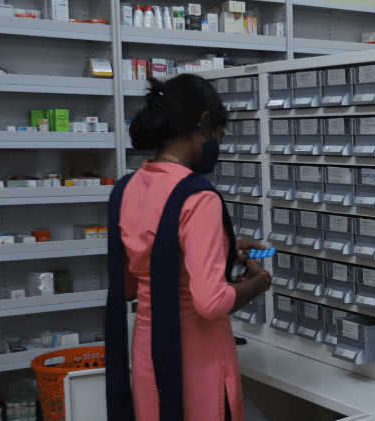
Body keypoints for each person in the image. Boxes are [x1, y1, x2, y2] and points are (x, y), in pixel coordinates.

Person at [105, 74, 272, 421]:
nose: (217, 146)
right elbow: (210, 303)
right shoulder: (198, 197)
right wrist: (258, 283)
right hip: (198, 358)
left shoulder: (126, 189)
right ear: (204, 124)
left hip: (150, 354)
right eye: (219, 136)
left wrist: (223, 248)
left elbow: (130, 283)